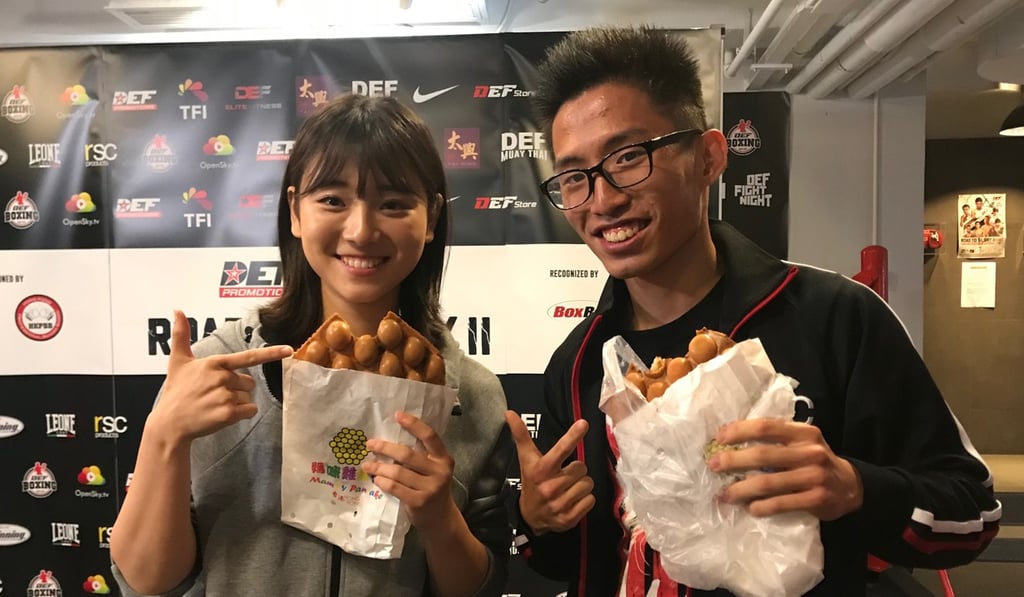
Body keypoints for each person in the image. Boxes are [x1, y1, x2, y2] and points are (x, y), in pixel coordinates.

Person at [504, 26, 1001, 597]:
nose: (603, 198)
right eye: (574, 178)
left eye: (628, 157)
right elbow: (568, 559)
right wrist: (537, 520)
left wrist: (853, 487)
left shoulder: (833, 317)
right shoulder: (578, 365)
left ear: (709, 157)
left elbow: (974, 513)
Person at [110, 94, 513, 597]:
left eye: (393, 203)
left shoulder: (472, 396)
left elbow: (477, 588)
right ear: (295, 212)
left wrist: (439, 520)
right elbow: (145, 583)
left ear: (430, 218)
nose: (361, 230)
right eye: (333, 200)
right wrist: (163, 437)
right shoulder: (219, 372)